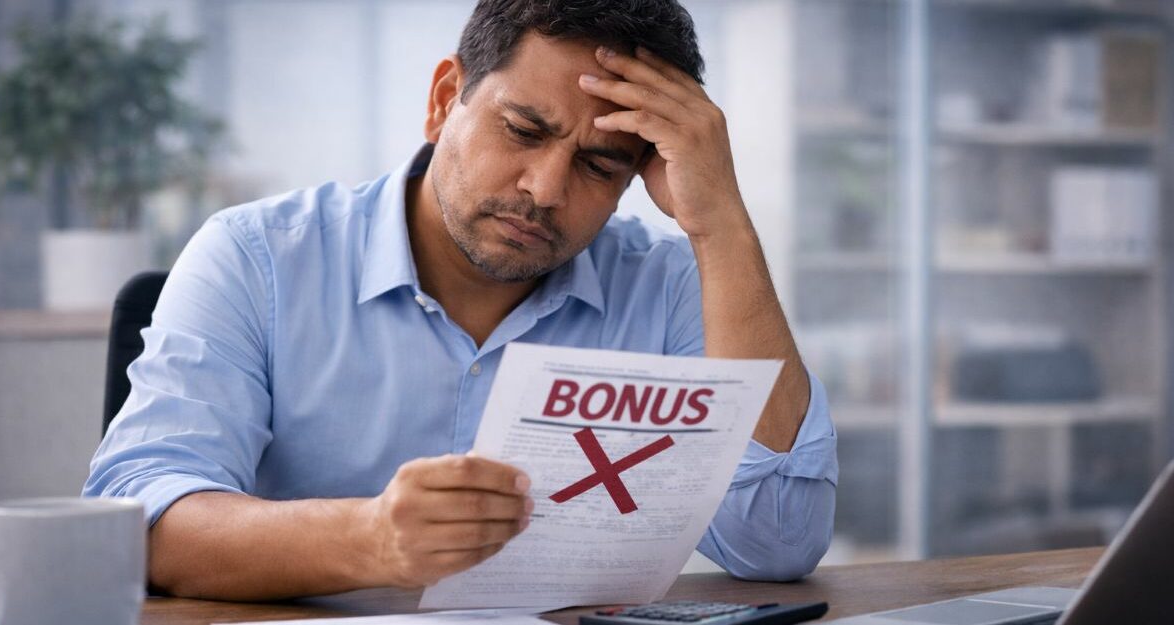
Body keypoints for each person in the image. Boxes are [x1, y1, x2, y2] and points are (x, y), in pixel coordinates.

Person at [84, 0, 838, 601]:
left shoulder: (674, 283)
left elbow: (778, 542)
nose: (545, 190)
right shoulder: (255, 257)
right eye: (522, 130)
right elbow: (140, 522)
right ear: (447, 98)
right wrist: (372, 538)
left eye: (600, 165)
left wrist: (722, 226)